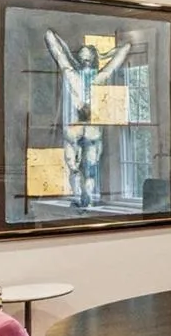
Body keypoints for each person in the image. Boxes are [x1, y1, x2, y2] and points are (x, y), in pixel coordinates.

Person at [44, 30, 133, 209]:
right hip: (77, 128)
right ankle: (81, 197)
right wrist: (64, 45)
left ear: (92, 59)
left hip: (88, 129)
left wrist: (105, 53)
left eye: (88, 57)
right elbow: (52, 42)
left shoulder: (95, 76)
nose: (85, 61)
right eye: (83, 57)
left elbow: (125, 49)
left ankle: (86, 197)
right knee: (75, 166)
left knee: (88, 168)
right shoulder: (76, 75)